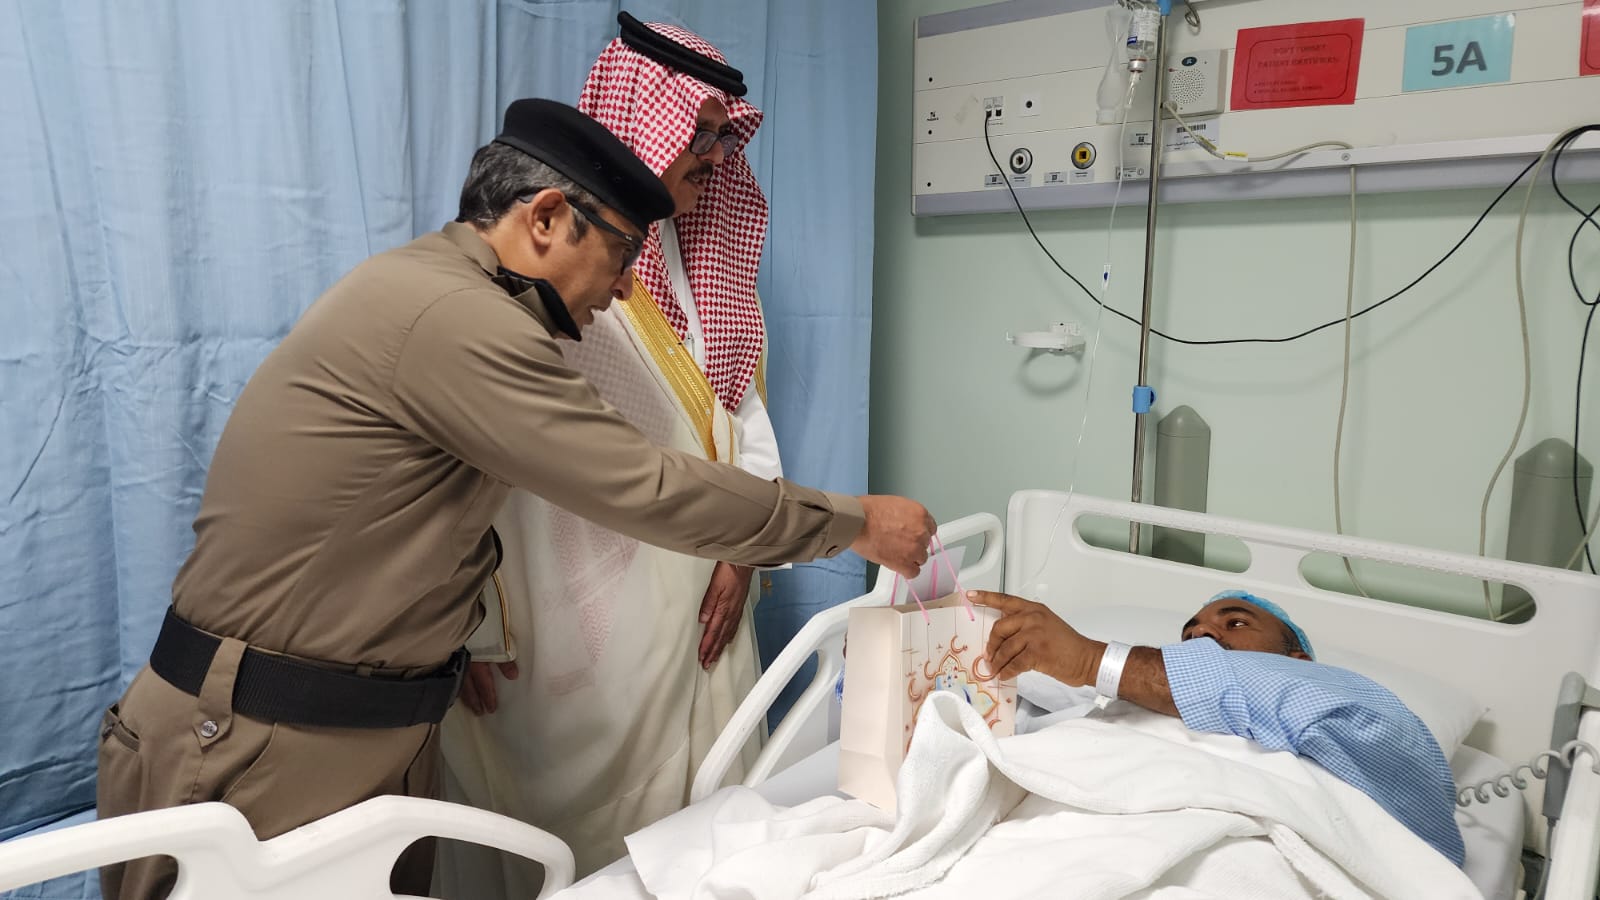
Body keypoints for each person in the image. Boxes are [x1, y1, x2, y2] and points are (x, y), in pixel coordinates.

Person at [94, 97, 935, 900]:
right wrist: (856, 523)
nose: (625, 288)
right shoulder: (455, 317)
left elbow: (428, 513)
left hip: (348, 734)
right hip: (260, 743)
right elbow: (647, 486)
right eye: (621, 254)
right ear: (545, 219)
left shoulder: (457, 296)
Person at [437, 17, 791, 888]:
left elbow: (735, 410)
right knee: (577, 837)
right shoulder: (549, 254)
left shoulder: (709, 256)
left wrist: (745, 549)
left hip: (697, 581)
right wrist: (470, 624)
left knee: (699, 822)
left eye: (723, 137)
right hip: (555, 603)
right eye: (697, 132)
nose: (713, 156)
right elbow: (468, 450)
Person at [968, 588, 1467, 866]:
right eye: (1190, 634)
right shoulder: (1114, 708)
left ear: (1298, 660)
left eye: (1236, 624)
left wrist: (1092, 660)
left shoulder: (1346, 697)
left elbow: (1411, 784)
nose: (1203, 632)